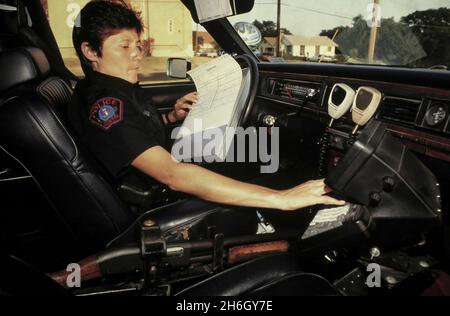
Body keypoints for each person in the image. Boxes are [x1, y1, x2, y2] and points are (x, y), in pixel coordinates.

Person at [68, 0, 345, 213]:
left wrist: (171, 118)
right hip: (156, 202)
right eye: (124, 47)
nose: (136, 56)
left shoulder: (116, 89)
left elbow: (131, 137)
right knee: (269, 164)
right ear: (91, 52)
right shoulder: (105, 104)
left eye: (138, 46)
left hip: (161, 175)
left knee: (261, 154)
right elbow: (171, 175)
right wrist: (282, 198)